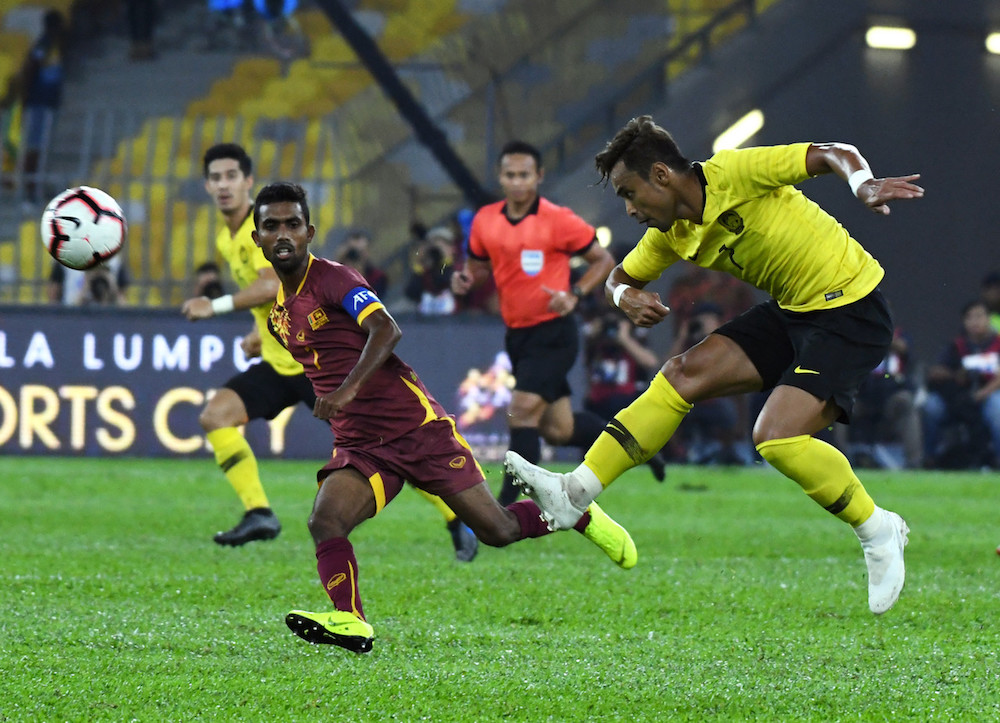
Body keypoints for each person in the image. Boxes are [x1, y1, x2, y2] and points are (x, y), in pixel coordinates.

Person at [505, 115, 924, 615]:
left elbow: (833, 150)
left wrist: (863, 184)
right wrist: (623, 297)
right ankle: (574, 494)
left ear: (661, 175)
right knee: (680, 375)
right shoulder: (672, 233)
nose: (630, 209)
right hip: (793, 312)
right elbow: (618, 277)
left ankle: (878, 530)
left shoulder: (734, 172)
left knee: (775, 437)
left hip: (851, 310)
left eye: (630, 193)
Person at [250, 181, 638, 653]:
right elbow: (321, 361)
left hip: (416, 429)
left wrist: (346, 390)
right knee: (324, 520)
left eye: (293, 224)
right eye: (272, 226)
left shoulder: (335, 279)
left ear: (309, 232)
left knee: (497, 530)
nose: (283, 234)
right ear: (258, 238)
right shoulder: (279, 316)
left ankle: (574, 512)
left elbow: (386, 329)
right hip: (361, 444)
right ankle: (350, 620)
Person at [182, 143, 477, 560]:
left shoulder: (263, 226)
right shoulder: (228, 236)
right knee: (216, 416)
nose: (224, 185)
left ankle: (455, 516)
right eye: (216, 178)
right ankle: (258, 512)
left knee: (384, 448)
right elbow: (280, 296)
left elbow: (270, 284)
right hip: (279, 363)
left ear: (248, 181)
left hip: (316, 367)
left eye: (232, 176)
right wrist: (258, 333)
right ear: (207, 186)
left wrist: (213, 306)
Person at [451, 140, 664, 506]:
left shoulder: (558, 219)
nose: (517, 182)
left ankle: (506, 509)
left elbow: (603, 260)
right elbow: (478, 267)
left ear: (539, 176)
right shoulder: (486, 220)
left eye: (524, 175)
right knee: (559, 430)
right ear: (500, 177)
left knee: (520, 410)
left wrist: (574, 294)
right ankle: (638, 448)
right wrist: (465, 279)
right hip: (517, 335)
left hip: (554, 332)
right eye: (510, 175)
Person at [922, 299, 1000, 470]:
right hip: (960, 400)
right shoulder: (958, 346)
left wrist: (981, 394)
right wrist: (956, 374)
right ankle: (929, 459)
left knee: (997, 406)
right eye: (969, 317)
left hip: (988, 396)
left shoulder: (998, 343)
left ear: (989, 319)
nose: (975, 322)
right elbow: (936, 371)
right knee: (931, 406)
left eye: (979, 316)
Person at [833, 326, 923, 470]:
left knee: (905, 400)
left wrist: (891, 344)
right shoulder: (855, 337)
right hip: (860, 399)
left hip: (890, 400)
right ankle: (839, 463)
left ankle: (913, 463)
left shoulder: (901, 342)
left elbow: (910, 378)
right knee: (838, 405)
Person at [0, 9, 66, 203]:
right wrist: (24, 95)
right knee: (34, 147)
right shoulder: (43, 45)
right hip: (39, 103)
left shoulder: (53, 46)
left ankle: (34, 187)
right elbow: (30, 68)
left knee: (39, 147)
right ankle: (29, 192)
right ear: (54, 26)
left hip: (47, 104)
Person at [405, 225, 457, 316]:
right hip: (428, 321)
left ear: (452, 248)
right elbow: (411, 292)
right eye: (435, 244)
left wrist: (445, 261)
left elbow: (446, 281)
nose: (438, 248)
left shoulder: (459, 268)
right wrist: (420, 264)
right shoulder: (426, 273)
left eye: (443, 244)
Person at [332, 229, 389, 298]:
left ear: (367, 252)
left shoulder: (377, 278)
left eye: (360, 252)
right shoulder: (335, 282)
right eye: (351, 253)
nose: (354, 257)